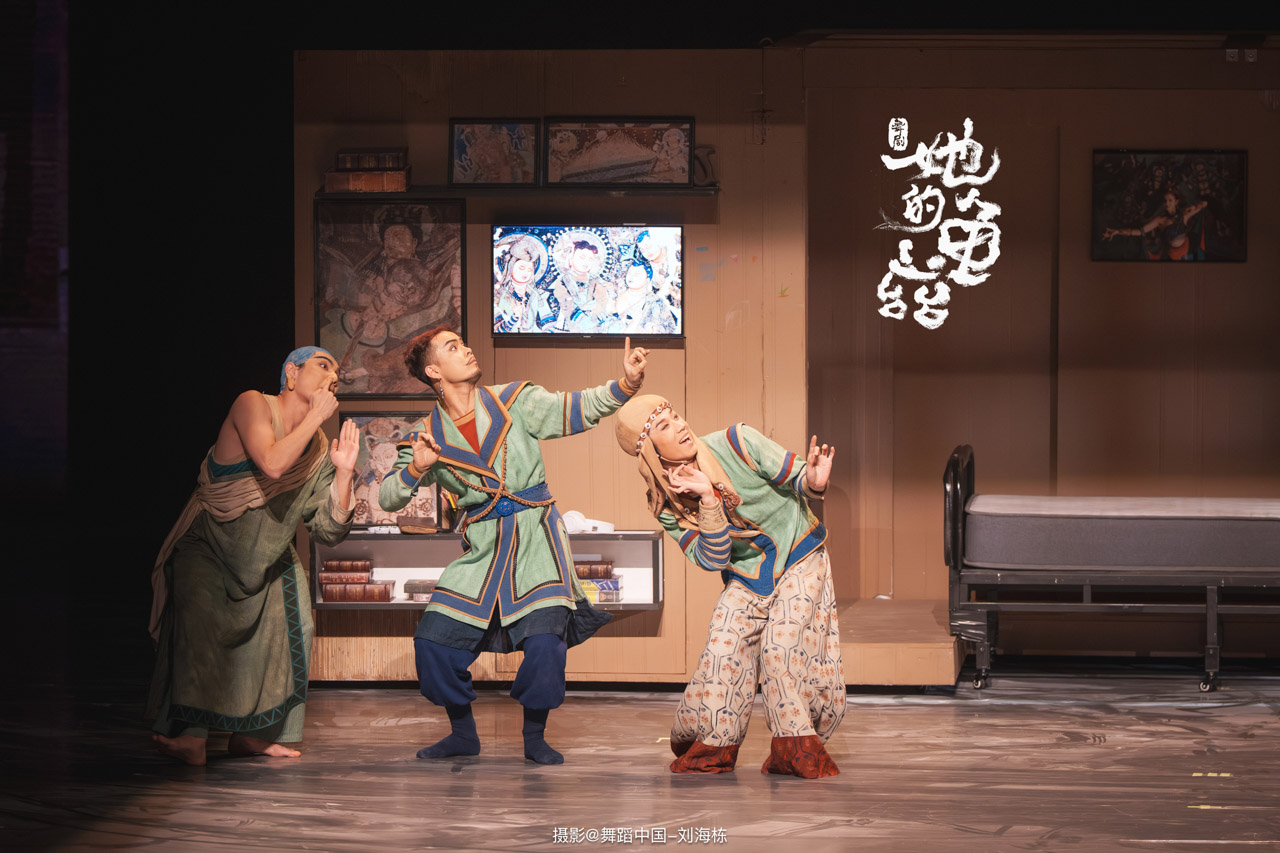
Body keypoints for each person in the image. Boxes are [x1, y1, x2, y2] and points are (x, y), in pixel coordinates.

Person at [380, 328, 648, 764]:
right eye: (452, 347)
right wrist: (417, 470)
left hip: (536, 541)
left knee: (545, 645)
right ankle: (463, 734)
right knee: (433, 644)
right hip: (482, 552)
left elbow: (574, 408)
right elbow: (389, 496)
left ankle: (534, 738)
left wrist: (626, 385)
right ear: (433, 371)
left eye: (463, 342)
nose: (466, 349)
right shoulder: (426, 435)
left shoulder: (513, 400)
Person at [147, 346, 360, 766]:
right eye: (323, 365)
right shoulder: (253, 403)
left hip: (265, 550)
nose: (333, 377)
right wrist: (316, 417)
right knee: (198, 624)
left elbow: (327, 531)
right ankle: (191, 737)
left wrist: (344, 473)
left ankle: (254, 736)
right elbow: (272, 464)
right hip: (209, 542)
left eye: (336, 373)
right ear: (291, 373)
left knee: (296, 625)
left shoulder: (319, 448)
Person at [614, 395, 845, 778]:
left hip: (799, 555)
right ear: (651, 451)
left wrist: (813, 482)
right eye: (665, 426)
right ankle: (713, 745)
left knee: (779, 648)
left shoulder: (738, 441)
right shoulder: (666, 504)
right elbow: (713, 558)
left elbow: (798, 477)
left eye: (676, 416)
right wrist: (708, 499)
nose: (680, 425)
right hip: (747, 574)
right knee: (722, 647)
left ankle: (795, 747)